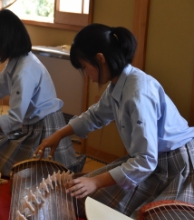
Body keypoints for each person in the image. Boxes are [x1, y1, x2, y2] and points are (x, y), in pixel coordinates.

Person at [35, 24, 194, 217]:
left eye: (85, 67)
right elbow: (95, 115)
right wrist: (59, 134)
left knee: (142, 214)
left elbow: (146, 160)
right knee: (83, 195)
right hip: (148, 160)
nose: (87, 76)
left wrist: (95, 181)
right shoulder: (119, 84)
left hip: (174, 166)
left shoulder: (138, 92)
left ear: (100, 59)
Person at [0, 10, 84, 176]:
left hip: (44, 130)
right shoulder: (17, 60)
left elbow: (14, 119)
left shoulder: (24, 70)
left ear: (4, 38)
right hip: (30, 125)